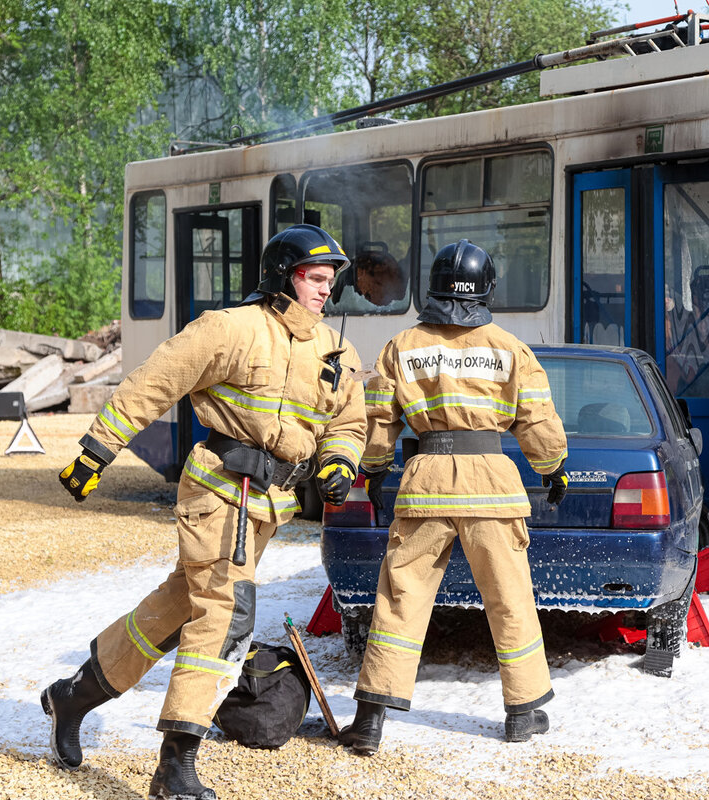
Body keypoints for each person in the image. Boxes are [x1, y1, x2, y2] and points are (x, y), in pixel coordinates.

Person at [43, 224, 366, 800]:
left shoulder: (333, 351)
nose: (325, 291)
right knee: (225, 613)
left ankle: (73, 697)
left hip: (268, 506)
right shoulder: (231, 328)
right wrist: (96, 452)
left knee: (178, 608)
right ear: (281, 279)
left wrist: (339, 461)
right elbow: (155, 382)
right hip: (219, 491)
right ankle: (175, 765)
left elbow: (347, 422)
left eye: (329, 281)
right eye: (315, 280)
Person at [337, 239, 569, 756]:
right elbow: (537, 419)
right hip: (493, 485)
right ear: (485, 289)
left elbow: (379, 421)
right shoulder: (510, 348)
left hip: (426, 484)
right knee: (509, 598)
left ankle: (371, 721)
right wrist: (552, 467)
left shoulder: (402, 346)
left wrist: (374, 470)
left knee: (400, 598)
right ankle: (523, 712)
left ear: (434, 287)